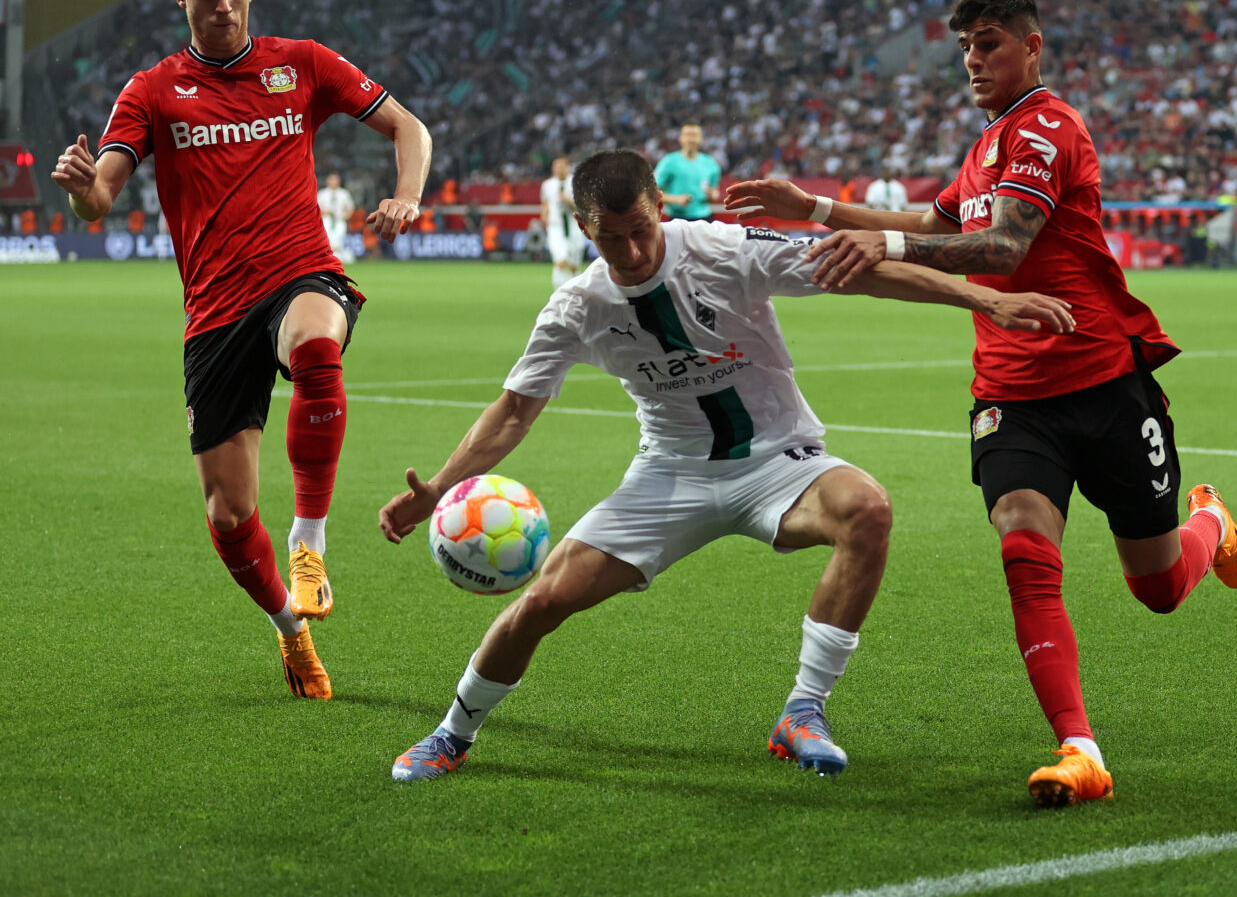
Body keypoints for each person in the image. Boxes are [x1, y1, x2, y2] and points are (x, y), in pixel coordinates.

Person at [725, 0, 1237, 807]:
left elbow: (1001, 247)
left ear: (1030, 46)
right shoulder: (985, 146)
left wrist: (881, 244)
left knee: (1155, 588)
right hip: (1012, 396)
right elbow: (943, 226)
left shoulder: (1047, 125)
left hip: (1106, 382)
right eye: (966, 47)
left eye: (990, 43)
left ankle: (1209, 523)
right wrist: (816, 206)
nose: (973, 60)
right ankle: (1079, 748)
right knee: (1023, 551)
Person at [379, 148, 1073, 782]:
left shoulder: (723, 249)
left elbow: (860, 272)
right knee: (542, 602)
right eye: (610, 237)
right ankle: (451, 733)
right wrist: (439, 489)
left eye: (640, 228)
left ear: (661, 207)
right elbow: (511, 414)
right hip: (669, 475)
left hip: (780, 460)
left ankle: (803, 711)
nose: (631, 248)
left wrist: (987, 298)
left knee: (868, 509)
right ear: (585, 229)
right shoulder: (576, 307)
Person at [49, 0, 430, 700]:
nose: (222, 5)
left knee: (318, 351)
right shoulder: (152, 90)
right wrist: (79, 185)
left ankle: (310, 538)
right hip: (215, 313)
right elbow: (100, 201)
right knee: (227, 515)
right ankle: (291, 631)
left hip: (300, 274)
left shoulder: (303, 64)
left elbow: (408, 127)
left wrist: (407, 195)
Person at [653, 123, 722, 221]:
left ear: (701, 138)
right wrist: (675, 199)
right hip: (678, 218)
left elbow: (714, 191)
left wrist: (713, 195)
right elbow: (652, 192)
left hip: (705, 218)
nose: (691, 139)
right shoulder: (669, 162)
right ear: (680, 138)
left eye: (694, 135)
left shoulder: (711, 164)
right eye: (688, 135)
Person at [540, 155, 584, 285]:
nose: (559, 169)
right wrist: (544, 216)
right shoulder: (547, 185)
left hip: (574, 226)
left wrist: (567, 200)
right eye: (556, 166)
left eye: (562, 166)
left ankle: (575, 291)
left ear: (568, 167)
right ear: (553, 168)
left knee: (574, 265)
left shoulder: (576, 183)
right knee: (561, 261)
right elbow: (545, 203)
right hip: (556, 227)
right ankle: (558, 294)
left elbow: (583, 206)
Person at [317, 172, 356, 264]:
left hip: (339, 220)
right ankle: (327, 259)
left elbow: (350, 207)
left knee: (338, 240)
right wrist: (325, 212)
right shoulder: (322, 193)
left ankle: (336, 259)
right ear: (327, 181)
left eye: (335, 179)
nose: (333, 181)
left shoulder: (344, 193)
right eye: (331, 179)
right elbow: (316, 208)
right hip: (326, 220)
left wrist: (345, 216)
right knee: (327, 240)